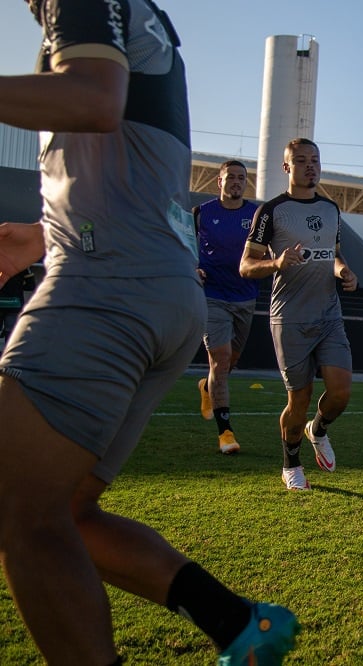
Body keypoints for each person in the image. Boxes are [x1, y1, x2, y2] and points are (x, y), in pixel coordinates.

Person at [0, 2, 299, 664]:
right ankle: (240, 624)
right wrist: (43, 239)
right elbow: (123, 153)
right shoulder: (126, 19)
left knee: (19, 510)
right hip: (157, 292)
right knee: (69, 512)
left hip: (105, 293)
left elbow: (94, 101)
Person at [240, 138, 356, 491]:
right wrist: (276, 262)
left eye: (315, 160)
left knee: (341, 393)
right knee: (299, 400)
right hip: (289, 318)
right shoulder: (271, 212)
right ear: (286, 167)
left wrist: (343, 271)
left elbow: (332, 255)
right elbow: (245, 266)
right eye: (301, 160)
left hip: (328, 315)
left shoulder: (331, 209)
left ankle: (317, 430)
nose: (310, 166)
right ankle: (291, 462)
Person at [194, 160, 260, 454]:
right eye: (230, 177)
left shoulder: (257, 214)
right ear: (218, 182)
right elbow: (183, 245)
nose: (236, 181)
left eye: (241, 178)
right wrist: (192, 267)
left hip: (245, 297)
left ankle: (207, 388)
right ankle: (226, 433)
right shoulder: (201, 213)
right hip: (212, 295)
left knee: (230, 363)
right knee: (219, 361)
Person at [0, 267, 33, 349]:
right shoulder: (23, 265)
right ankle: (8, 356)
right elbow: (31, 285)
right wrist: (18, 287)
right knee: (11, 332)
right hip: (14, 304)